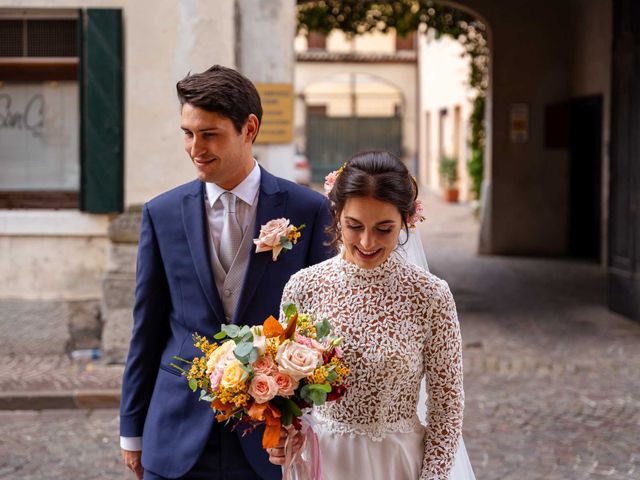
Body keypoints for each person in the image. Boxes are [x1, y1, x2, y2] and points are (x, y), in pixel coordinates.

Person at [119, 65, 332, 480]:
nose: (195, 147)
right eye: (187, 133)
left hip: (269, 440)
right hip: (176, 435)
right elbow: (146, 328)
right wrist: (132, 431)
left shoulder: (306, 210)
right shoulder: (160, 214)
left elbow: (321, 329)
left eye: (209, 134)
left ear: (248, 128)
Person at [269, 150, 475, 479]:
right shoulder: (302, 287)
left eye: (384, 229)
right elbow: (287, 394)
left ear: (406, 220)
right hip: (322, 462)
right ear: (337, 216)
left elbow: (447, 407)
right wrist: (282, 439)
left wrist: (432, 477)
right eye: (354, 226)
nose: (367, 241)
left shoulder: (430, 296)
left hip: (396, 464)